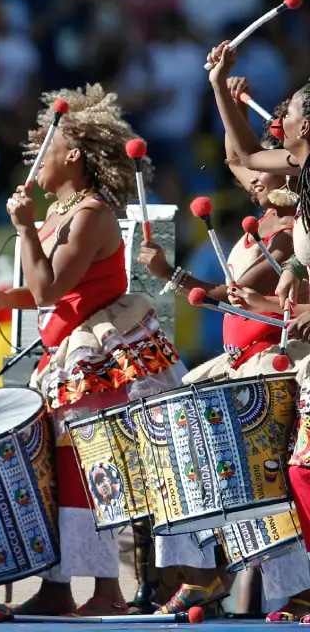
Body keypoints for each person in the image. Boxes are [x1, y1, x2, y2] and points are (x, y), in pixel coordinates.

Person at [0, 85, 187, 616]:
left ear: (72, 155)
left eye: (46, 149)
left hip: (97, 357)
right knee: (61, 471)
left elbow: (50, 287)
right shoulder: (59, 213)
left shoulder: (91, 213)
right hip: (66, 355)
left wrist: (24, 228)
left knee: (90, 471)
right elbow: (43, 290)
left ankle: (106, 590)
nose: (36, 159)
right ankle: (58, 586)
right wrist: (3, 298)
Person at [203, 42, 310, 621]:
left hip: (286, 360)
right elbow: (241, 156)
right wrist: (221, 89)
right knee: (295, 472)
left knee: (296, 472)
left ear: (304, 127)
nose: (278, 122)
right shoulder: (301, 175)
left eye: (285, 115)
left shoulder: (295, 198)